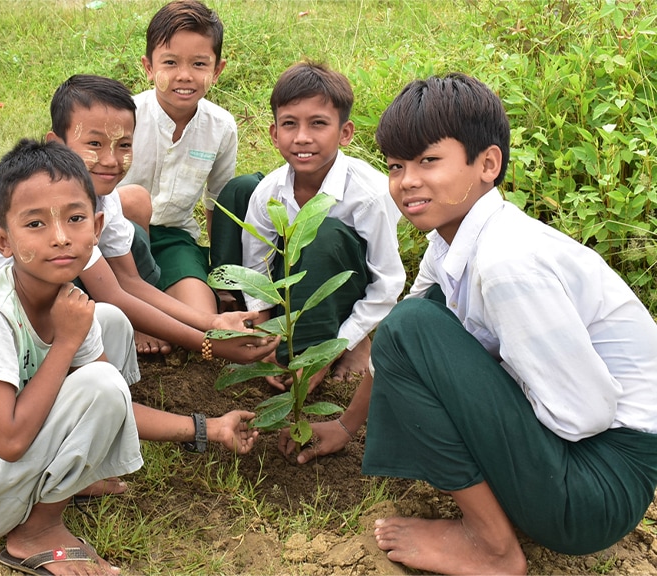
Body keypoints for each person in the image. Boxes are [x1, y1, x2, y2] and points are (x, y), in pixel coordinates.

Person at [283, 73, 657, 575]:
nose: (407, 180)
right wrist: (348, 427)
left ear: (487, 164)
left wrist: (475, 396)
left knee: (415, 325)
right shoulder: (452, 241)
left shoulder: (507, 263)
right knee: (414, 321)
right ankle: (501, 512)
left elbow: (585, 415)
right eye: (396, 165)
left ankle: (492, 548)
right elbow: (399, 342)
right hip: (582, 467)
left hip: (596, 490)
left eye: (429, 160)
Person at [0, 139, 261, 576]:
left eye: (75, 218)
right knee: (99, 378)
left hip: (3, 468)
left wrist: (206, 429)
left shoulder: (67, 299)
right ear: (3, 241)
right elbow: (8, 440)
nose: (60, 237)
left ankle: (63, 480)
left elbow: (114, 406)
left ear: (96, 227)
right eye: (36, 224)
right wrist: (65, 344)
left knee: (110, 319)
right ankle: (35, 532)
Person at [0, 74, 278, 364]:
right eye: (94, 143)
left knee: (128, 251)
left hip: (30, 301)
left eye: (124, 145)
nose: (111, 160)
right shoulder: (61, 208)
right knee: (102, 313)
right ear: (58, 143)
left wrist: (212, 323)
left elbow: (130, 281)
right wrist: (209, 345)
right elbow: (114, 293)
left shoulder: (101, 199)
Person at [212, 62, 405, 392]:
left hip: (345, 284)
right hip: (293, 278)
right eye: (289, 124)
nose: (302, 138)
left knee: (323, 232)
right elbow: (256, 267)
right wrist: (264, 336)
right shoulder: (269, 191)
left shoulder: (368, 195)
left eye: (318, 124)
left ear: (345, 133)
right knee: (237, 192)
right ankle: (271, 335)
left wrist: (331, 350)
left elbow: (387, 283)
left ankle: (342, 341)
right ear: (274, 134)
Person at [117, 0, 235, 319]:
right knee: (132, 201)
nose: (184, 76)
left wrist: (220, 277)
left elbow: (217, 206)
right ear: (149, 67)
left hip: (173, 238)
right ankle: (136, 311)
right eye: (170, 62)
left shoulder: (221, 127)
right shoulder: (124, 116)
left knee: (201, 318)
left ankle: (154, 301)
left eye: (199, 64)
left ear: (217, 69)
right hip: (115, 234)